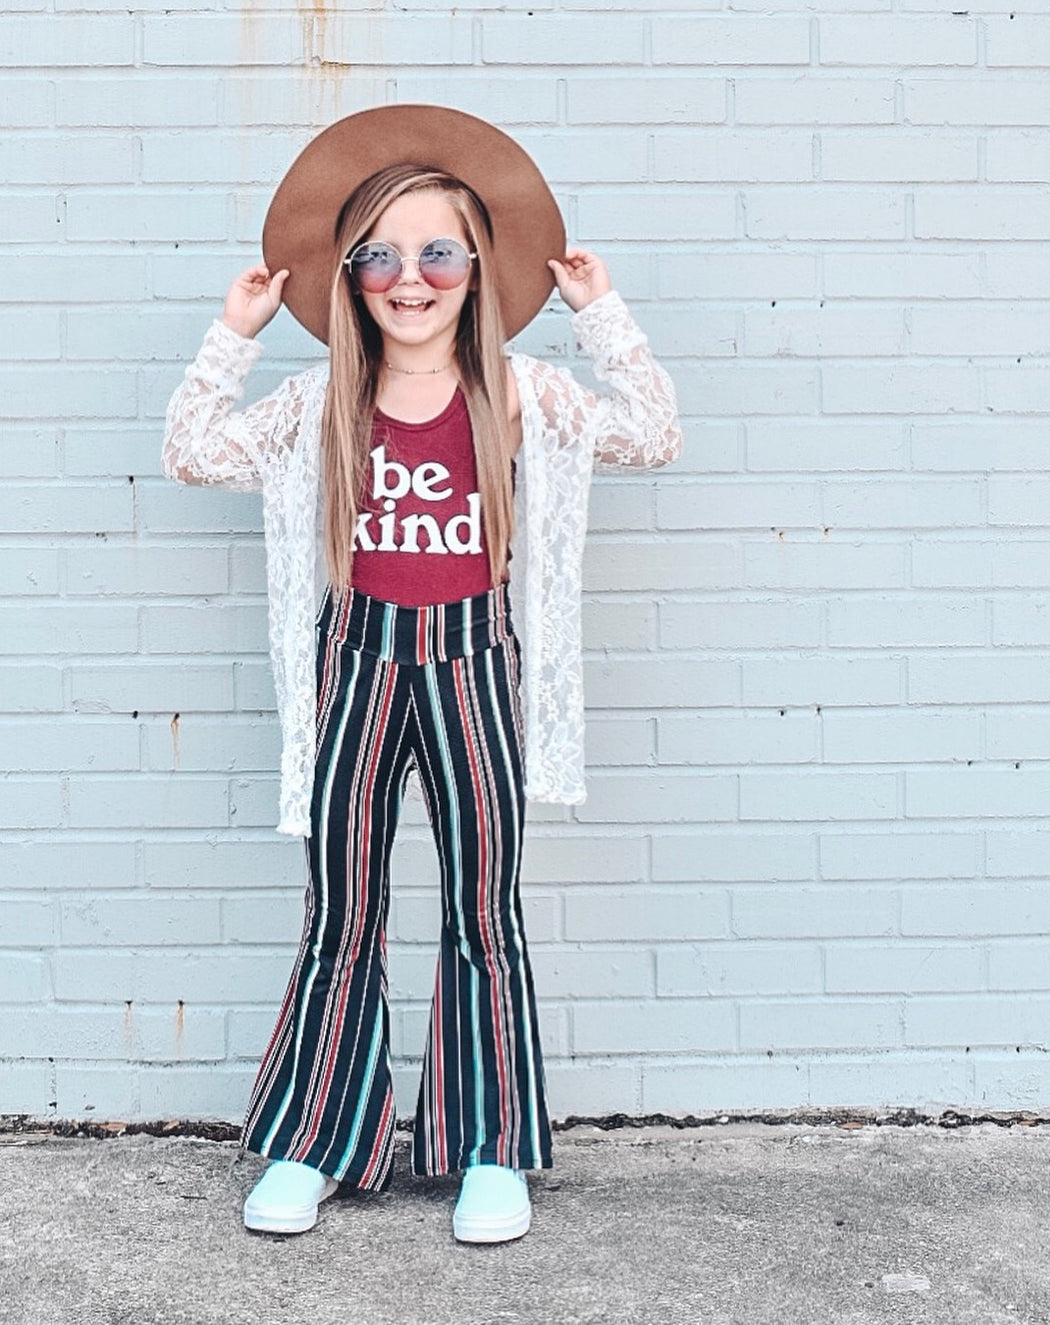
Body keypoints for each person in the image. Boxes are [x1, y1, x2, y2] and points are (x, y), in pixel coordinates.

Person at [161, 105, 682, 1244]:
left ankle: (487, 1145)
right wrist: (235, 328)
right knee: (342, 911)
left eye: (438, 250)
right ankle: (317, 1139)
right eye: (381, 256)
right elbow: (195, 451)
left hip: (473, 664)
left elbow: (650, 431)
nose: (411, 277)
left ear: (476, 266)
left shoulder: (523, 394)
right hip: (356, 666)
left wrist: (601, 312)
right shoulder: (317, 406)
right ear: (350, 278)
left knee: (480, 911)